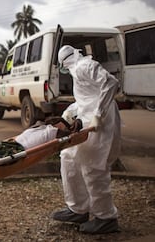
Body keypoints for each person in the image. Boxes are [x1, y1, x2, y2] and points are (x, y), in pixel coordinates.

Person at [51, 45, 121, 234]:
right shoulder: (77, 71)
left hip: (100, 123)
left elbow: (111, 83)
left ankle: (105, 217)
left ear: (64, 62)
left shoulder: (84, 65)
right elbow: (87, 98)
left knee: (93, 167)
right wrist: (69, 113)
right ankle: (78, 208)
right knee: (69, 158)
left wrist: (99, 114)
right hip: (89, 120)